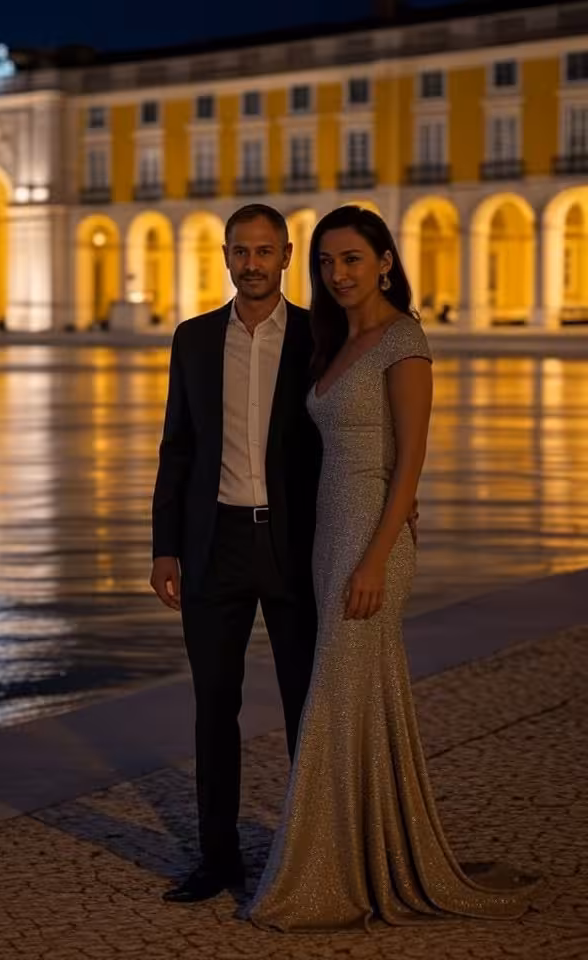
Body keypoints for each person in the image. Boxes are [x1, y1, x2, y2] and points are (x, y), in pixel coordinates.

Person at [248, 205, 539, 931]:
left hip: (370, 543)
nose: (337, 274)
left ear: (384, 261)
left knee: (336, 693)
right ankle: (365, 852)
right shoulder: (337, 341)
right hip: (329, 537)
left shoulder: (404, 339)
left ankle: (330, 869)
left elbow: (410, 458)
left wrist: (378, 554)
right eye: (325, 262)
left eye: (351, 259)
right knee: (358, 696)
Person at [151, 204, 322, 903]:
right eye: (240, 251)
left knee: (305, 706)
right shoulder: (193, 339)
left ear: (286, 254)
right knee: (213, 707)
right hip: (214, 543)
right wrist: (165, 548)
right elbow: (178, 448)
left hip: (294, 545)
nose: (252, 263)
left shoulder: (319, 336)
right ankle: (218, 858)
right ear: (224, 256)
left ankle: (313, 855)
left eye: (264, 251)